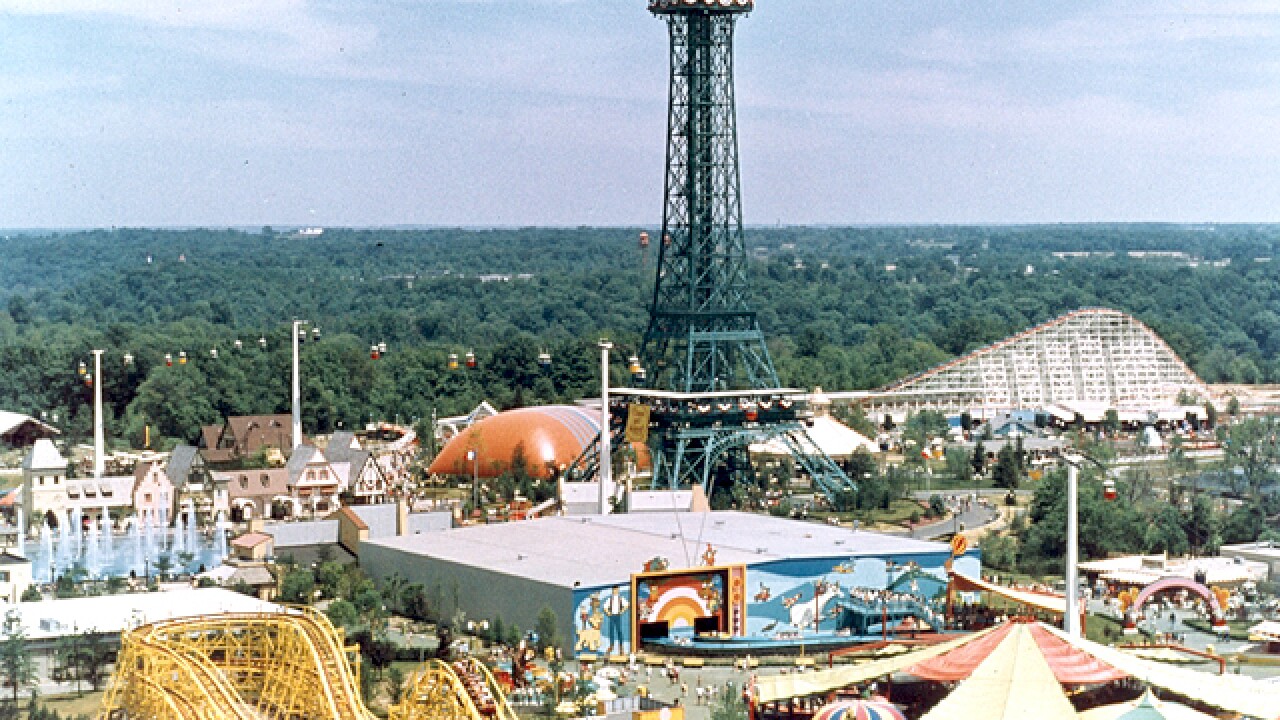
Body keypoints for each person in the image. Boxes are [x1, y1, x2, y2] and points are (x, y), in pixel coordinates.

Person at [602, 586, 630, 655]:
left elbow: (627, 605)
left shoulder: (621, 598)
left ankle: (621, 647)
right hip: (612, 616)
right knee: (611, 630)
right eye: (614, 590)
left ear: (618, 590)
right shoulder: (610, 599)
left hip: (618, 615)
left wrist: (622, 611)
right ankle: (611, 645)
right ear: (612, 591)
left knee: (619, 631)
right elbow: (605, 607)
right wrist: (608, 613)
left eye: (616, 590)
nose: (615, 591)